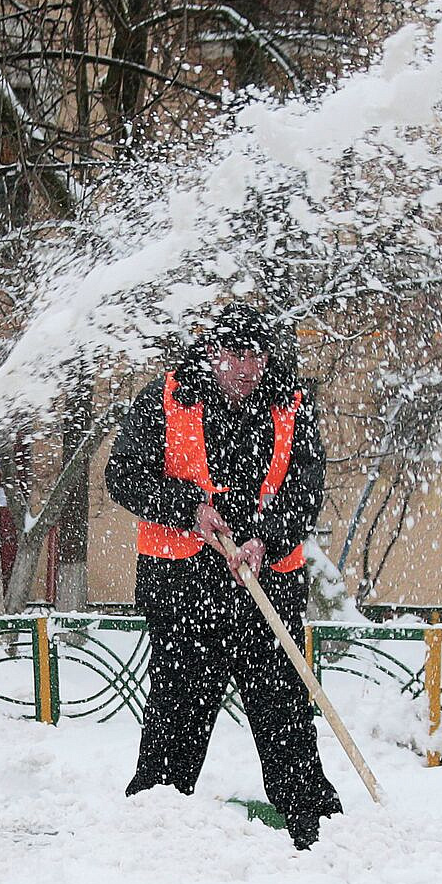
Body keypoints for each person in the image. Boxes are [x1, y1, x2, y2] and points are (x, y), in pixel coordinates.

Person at [105, 302, 343, 850]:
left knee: (285, 717)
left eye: (256, 355)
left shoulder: (290, 404)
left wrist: (267, 540)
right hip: (183, 589)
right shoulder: (167, 398)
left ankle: (321, 836)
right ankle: (150, 836)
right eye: (236, 354)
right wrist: (189, 509)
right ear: (212, 352)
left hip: (267, 590)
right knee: (176, 718)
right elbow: (123, 476)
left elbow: (305, 491)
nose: (247, 367)